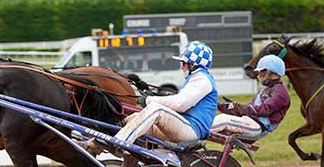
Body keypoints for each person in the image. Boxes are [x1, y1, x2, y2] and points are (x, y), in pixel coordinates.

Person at [87, 41, 218, 154]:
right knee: (134, 117)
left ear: (193, 65)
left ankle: (119, 142)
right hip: (185, 126)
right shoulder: (196, 78)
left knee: (156, 110)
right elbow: (180, 100)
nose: (182, 67)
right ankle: (100, 143)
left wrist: (149, 100)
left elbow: (180, 104)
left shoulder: (202, 79)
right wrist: (155, 95)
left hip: (191, 131)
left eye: (183, 63)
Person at [212, 54, 290, 139]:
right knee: (218, 119)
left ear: (269, 72)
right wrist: (223, 106)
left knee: (223, 120)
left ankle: (197, 131)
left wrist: (238, 106)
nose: (258, 75)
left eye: (260, 72)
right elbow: (250, 109)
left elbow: (263, 110)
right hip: (251, 122)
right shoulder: (268, 89)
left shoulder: (280, 93)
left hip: (257, 126)